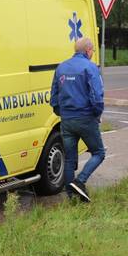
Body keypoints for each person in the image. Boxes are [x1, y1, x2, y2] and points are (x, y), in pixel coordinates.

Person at [50, 37, 106, 202]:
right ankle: (80, 181)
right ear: (88, 50)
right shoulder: (90, 67)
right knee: (98, 152)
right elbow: (97, 96)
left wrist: (62, 113)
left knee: (69, 158)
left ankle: (71, 197)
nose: (92, 53)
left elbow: (53, 96)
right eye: (93, 51)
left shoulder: (61, 67)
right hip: (86, 118)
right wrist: (96, 114)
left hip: (66, 120)